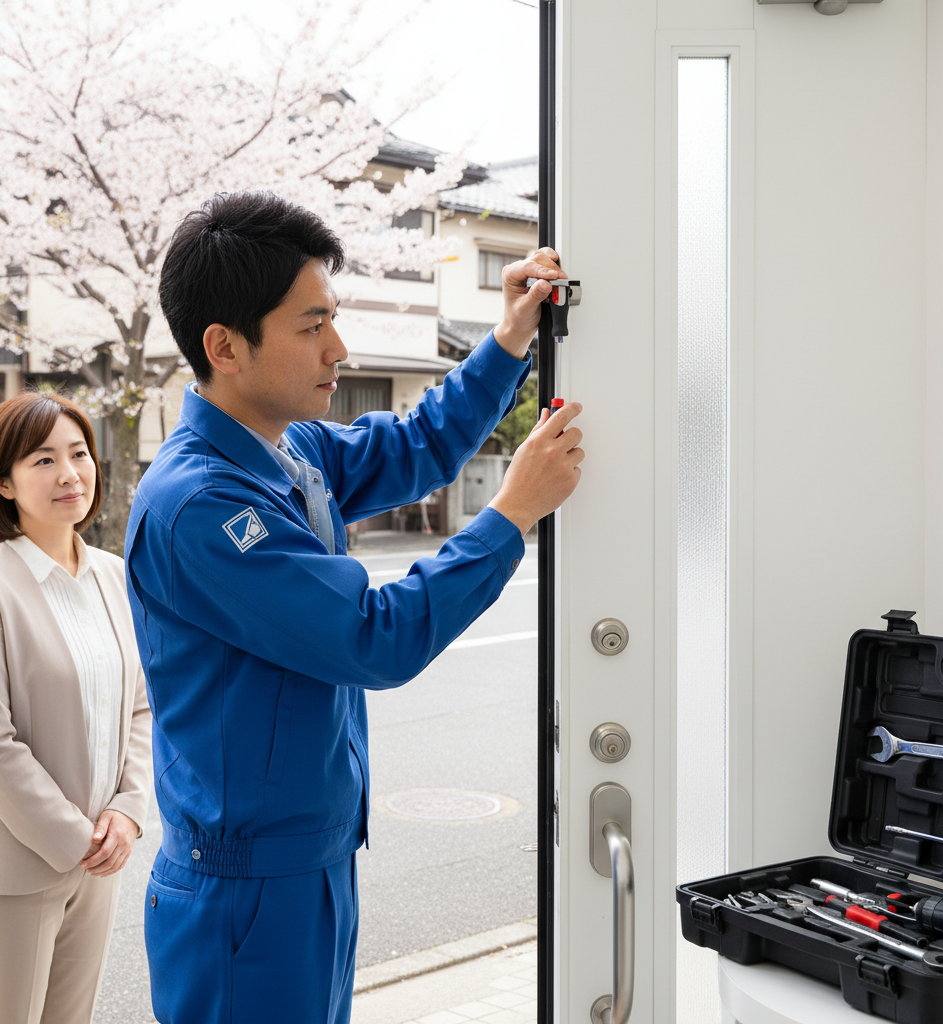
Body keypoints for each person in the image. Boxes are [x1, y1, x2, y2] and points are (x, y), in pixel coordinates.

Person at [125, 190, 583, 1024]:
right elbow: (372, 638)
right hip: (245, 889)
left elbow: (418, 446)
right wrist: (511, 516)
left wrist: (511, 336)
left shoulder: (283, 446)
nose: (339, 348)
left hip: (309, 862)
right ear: (224, 347)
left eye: (332, 318)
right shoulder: (204, 503)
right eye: (311, 327)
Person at [0, 392, 153, 1024]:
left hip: (99, 860)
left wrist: (127, 810)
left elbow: (143, 706)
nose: (69, 474)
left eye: (79, 454)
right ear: (4, 483)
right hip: (18, 867)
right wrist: (74, 838)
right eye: (42, 459)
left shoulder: (114, 577)